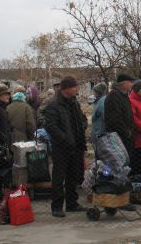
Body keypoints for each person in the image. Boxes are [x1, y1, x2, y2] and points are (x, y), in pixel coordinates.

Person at [44, 75, 88, 218]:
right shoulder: (53, 104)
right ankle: (57, 206)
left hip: (76, 145)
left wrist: (83, 126)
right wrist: (64, 139)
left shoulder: (73, 102)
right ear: (66, 88)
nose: (77, 89)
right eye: (75, 86)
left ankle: (72, 203)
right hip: (61, 147)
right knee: (59, 176)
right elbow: (51, 126)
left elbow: (80, 118)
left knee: (73, 176)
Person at [104, 73, 136, 157]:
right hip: (118, 140)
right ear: (123, 83)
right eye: (130, 82)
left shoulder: (124, 96)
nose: (132, 85)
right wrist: (127, 133)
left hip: (126, 139)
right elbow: (114, 119)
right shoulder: (113, 96)